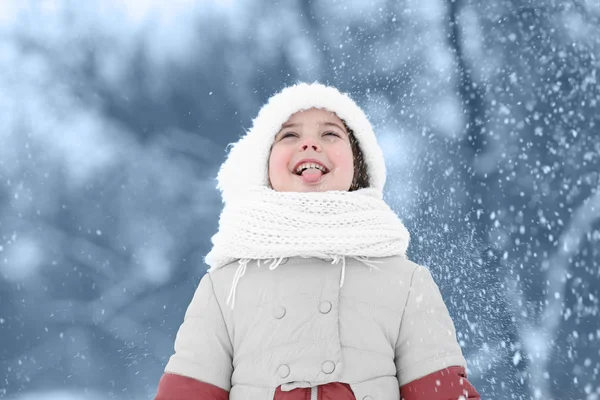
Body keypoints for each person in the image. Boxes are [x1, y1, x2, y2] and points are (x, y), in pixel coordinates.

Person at [154, 82, 481, 399]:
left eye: (330, 134)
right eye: (289, 135)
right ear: (263, 168)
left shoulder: (406, 283)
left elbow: (441, 392)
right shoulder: (225, 287)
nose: (309, 144)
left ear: (359, 165)